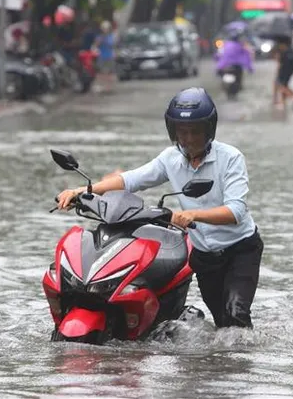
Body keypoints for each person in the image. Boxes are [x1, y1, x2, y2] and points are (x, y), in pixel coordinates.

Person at [57, 87, 264, 329]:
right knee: (222, 322)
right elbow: (131, 180)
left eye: (194, 131)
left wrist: (193, 215)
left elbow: (236, 212)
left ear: (209, 129)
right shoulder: (170, 158)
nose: (187, 139)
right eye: (181, 132)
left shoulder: (231, 158)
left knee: (236, 314)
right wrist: (83, 191)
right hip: (204, 256)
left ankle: (242, 364)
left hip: (240, 251)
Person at [273, 37, 293, 110]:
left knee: (280, 85)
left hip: (285, 70)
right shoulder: (290, 50)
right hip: (290, 70)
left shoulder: (284, 51)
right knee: (284, 84)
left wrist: (278, 59)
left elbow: (280, 63)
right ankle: (283, 102)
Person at [93, 20, 116, 93]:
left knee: (110, 73)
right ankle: (102, 87)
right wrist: (100, 40)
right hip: (101, 56)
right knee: (101, 72)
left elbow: (112, 45)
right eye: (104, 28)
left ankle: (109, 88)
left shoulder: (111, 36)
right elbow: (96, 45)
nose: (105, 30)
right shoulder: (99, 37)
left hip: (109, 56)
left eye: (107, 28)